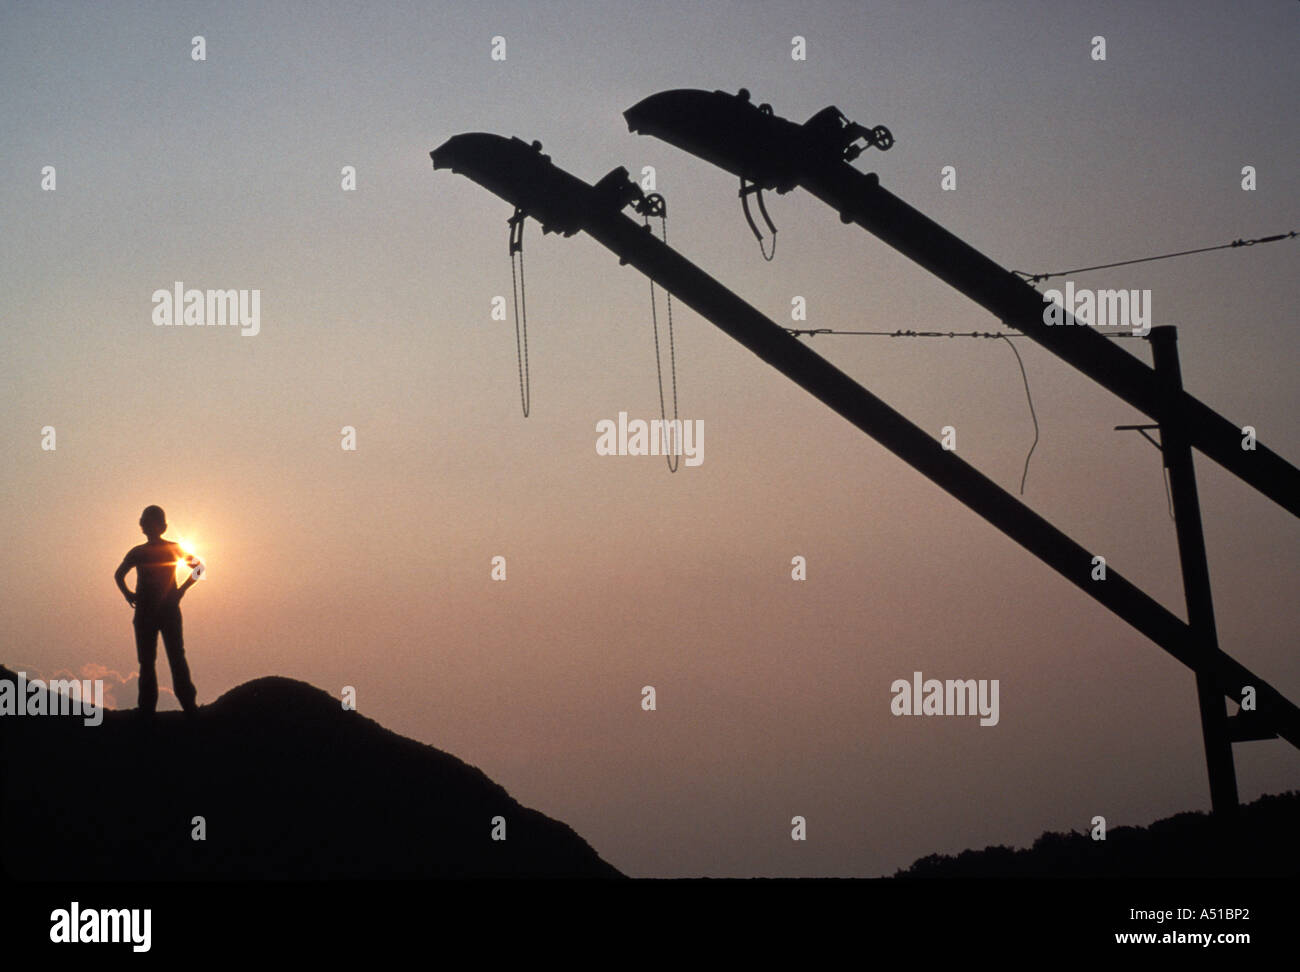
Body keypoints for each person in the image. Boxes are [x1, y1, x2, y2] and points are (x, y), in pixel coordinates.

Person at [113, 505, 200, 717]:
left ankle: (183, 706)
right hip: (151, 611)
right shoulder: (140, 552)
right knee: (156, 660)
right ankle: (154, 709)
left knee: (168, 658)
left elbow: (199, 569)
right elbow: (119, 575)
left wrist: (181, 591)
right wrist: (129, 594)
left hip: (161, 610)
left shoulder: (151, 551)